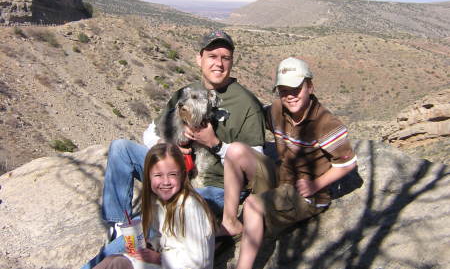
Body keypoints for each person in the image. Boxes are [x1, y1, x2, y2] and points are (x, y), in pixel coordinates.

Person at [82, 30, 275, 268]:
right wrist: (172, 147)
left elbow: (254, 167)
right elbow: (150, 133)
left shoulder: (246, 103)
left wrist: (214, 143)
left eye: (225, 57)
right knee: (121, 149)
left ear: (232, 61)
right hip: (177, 173)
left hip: (213, 188)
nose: (219, 63)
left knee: (149, 223)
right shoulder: (185, 93)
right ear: (199, 59)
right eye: (212, 56)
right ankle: (117, 225)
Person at [232, 57, 358, 269]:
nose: (289, 96)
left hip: (306, 193)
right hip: (282, 177)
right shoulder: (277, 111)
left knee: (253, 205)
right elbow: (252, 114)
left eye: (296, 89)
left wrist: (316, 185)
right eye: (283, 90)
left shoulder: (325, 124)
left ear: (310, 87)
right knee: (236, 152)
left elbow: (348, 163)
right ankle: (229, 222)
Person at [91, 143, 216, 269]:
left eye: (172, 174)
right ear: (148, 177)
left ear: (183, 175)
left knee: (117, 264)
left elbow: (200, 260)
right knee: (112, 260)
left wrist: (158, 258)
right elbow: (160, 237)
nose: (166, 182)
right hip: (166, 262)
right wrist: (150, 246)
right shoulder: (156, 201)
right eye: (158, 175)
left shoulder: (189, 206)